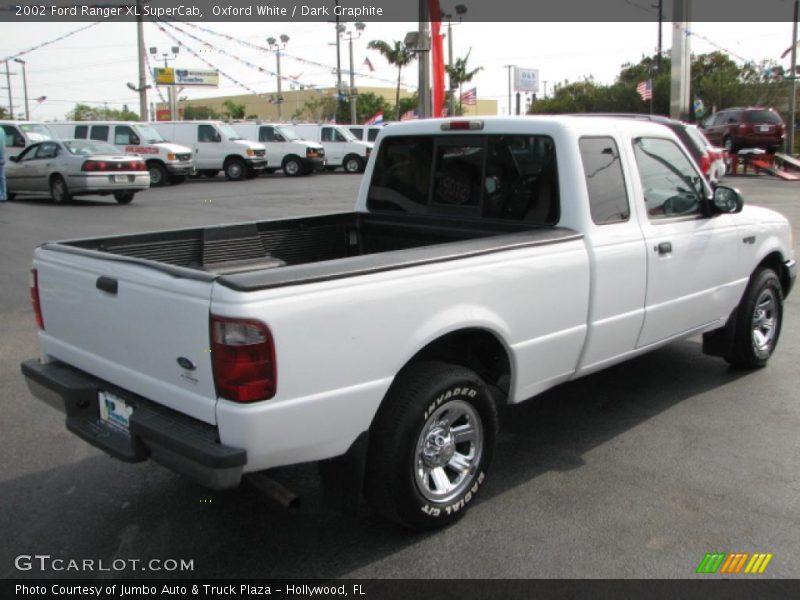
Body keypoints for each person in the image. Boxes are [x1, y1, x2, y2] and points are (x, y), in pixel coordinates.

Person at [0, 131, 7, 202]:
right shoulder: (2, 130)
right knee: (2, 177)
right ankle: (3, 195)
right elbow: (4, 145)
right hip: (1, 157)